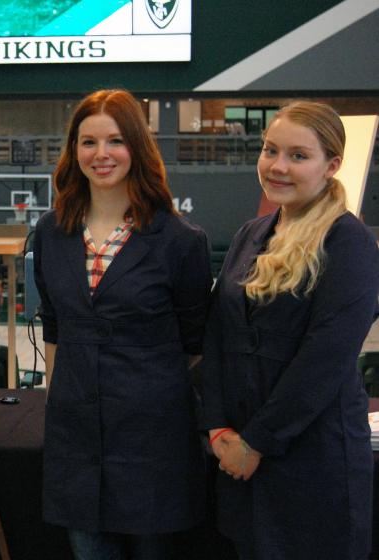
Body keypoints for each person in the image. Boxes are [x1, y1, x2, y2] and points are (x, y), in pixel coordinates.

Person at [33, 89, 212, 559]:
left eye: (115, 141)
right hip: (76, 437)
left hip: (153, 439)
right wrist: (61, 399)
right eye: (88, 142)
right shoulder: (52, 232)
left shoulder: (179, 240)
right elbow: (54, 326)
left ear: (136, 146)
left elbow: (194, 343)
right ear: (74, 151)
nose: (101, 154)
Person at [200, 101, 379, 559]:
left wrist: (257, 442)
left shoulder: (349, 243)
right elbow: (219, 336)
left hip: (313, 462)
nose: (278, 166)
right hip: (240, 458)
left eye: (298, 156)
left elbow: (323, 360)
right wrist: (218, 428)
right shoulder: (250, 234)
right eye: (270, 150)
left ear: (332, 164)